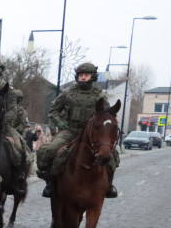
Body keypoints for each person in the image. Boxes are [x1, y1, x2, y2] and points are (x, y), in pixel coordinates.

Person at [38, 62, 119, 198]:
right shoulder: (68, 92)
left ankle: (109, 186)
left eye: (86, 75)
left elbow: (106, 114)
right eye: (81, 75)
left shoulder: (99, 95)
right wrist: (60, 123)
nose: (83, 77)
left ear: (92, 77)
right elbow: (54, 110)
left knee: (111, 156)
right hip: (70, 130)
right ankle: (50, 183)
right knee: (51, 150)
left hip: (91, 134)